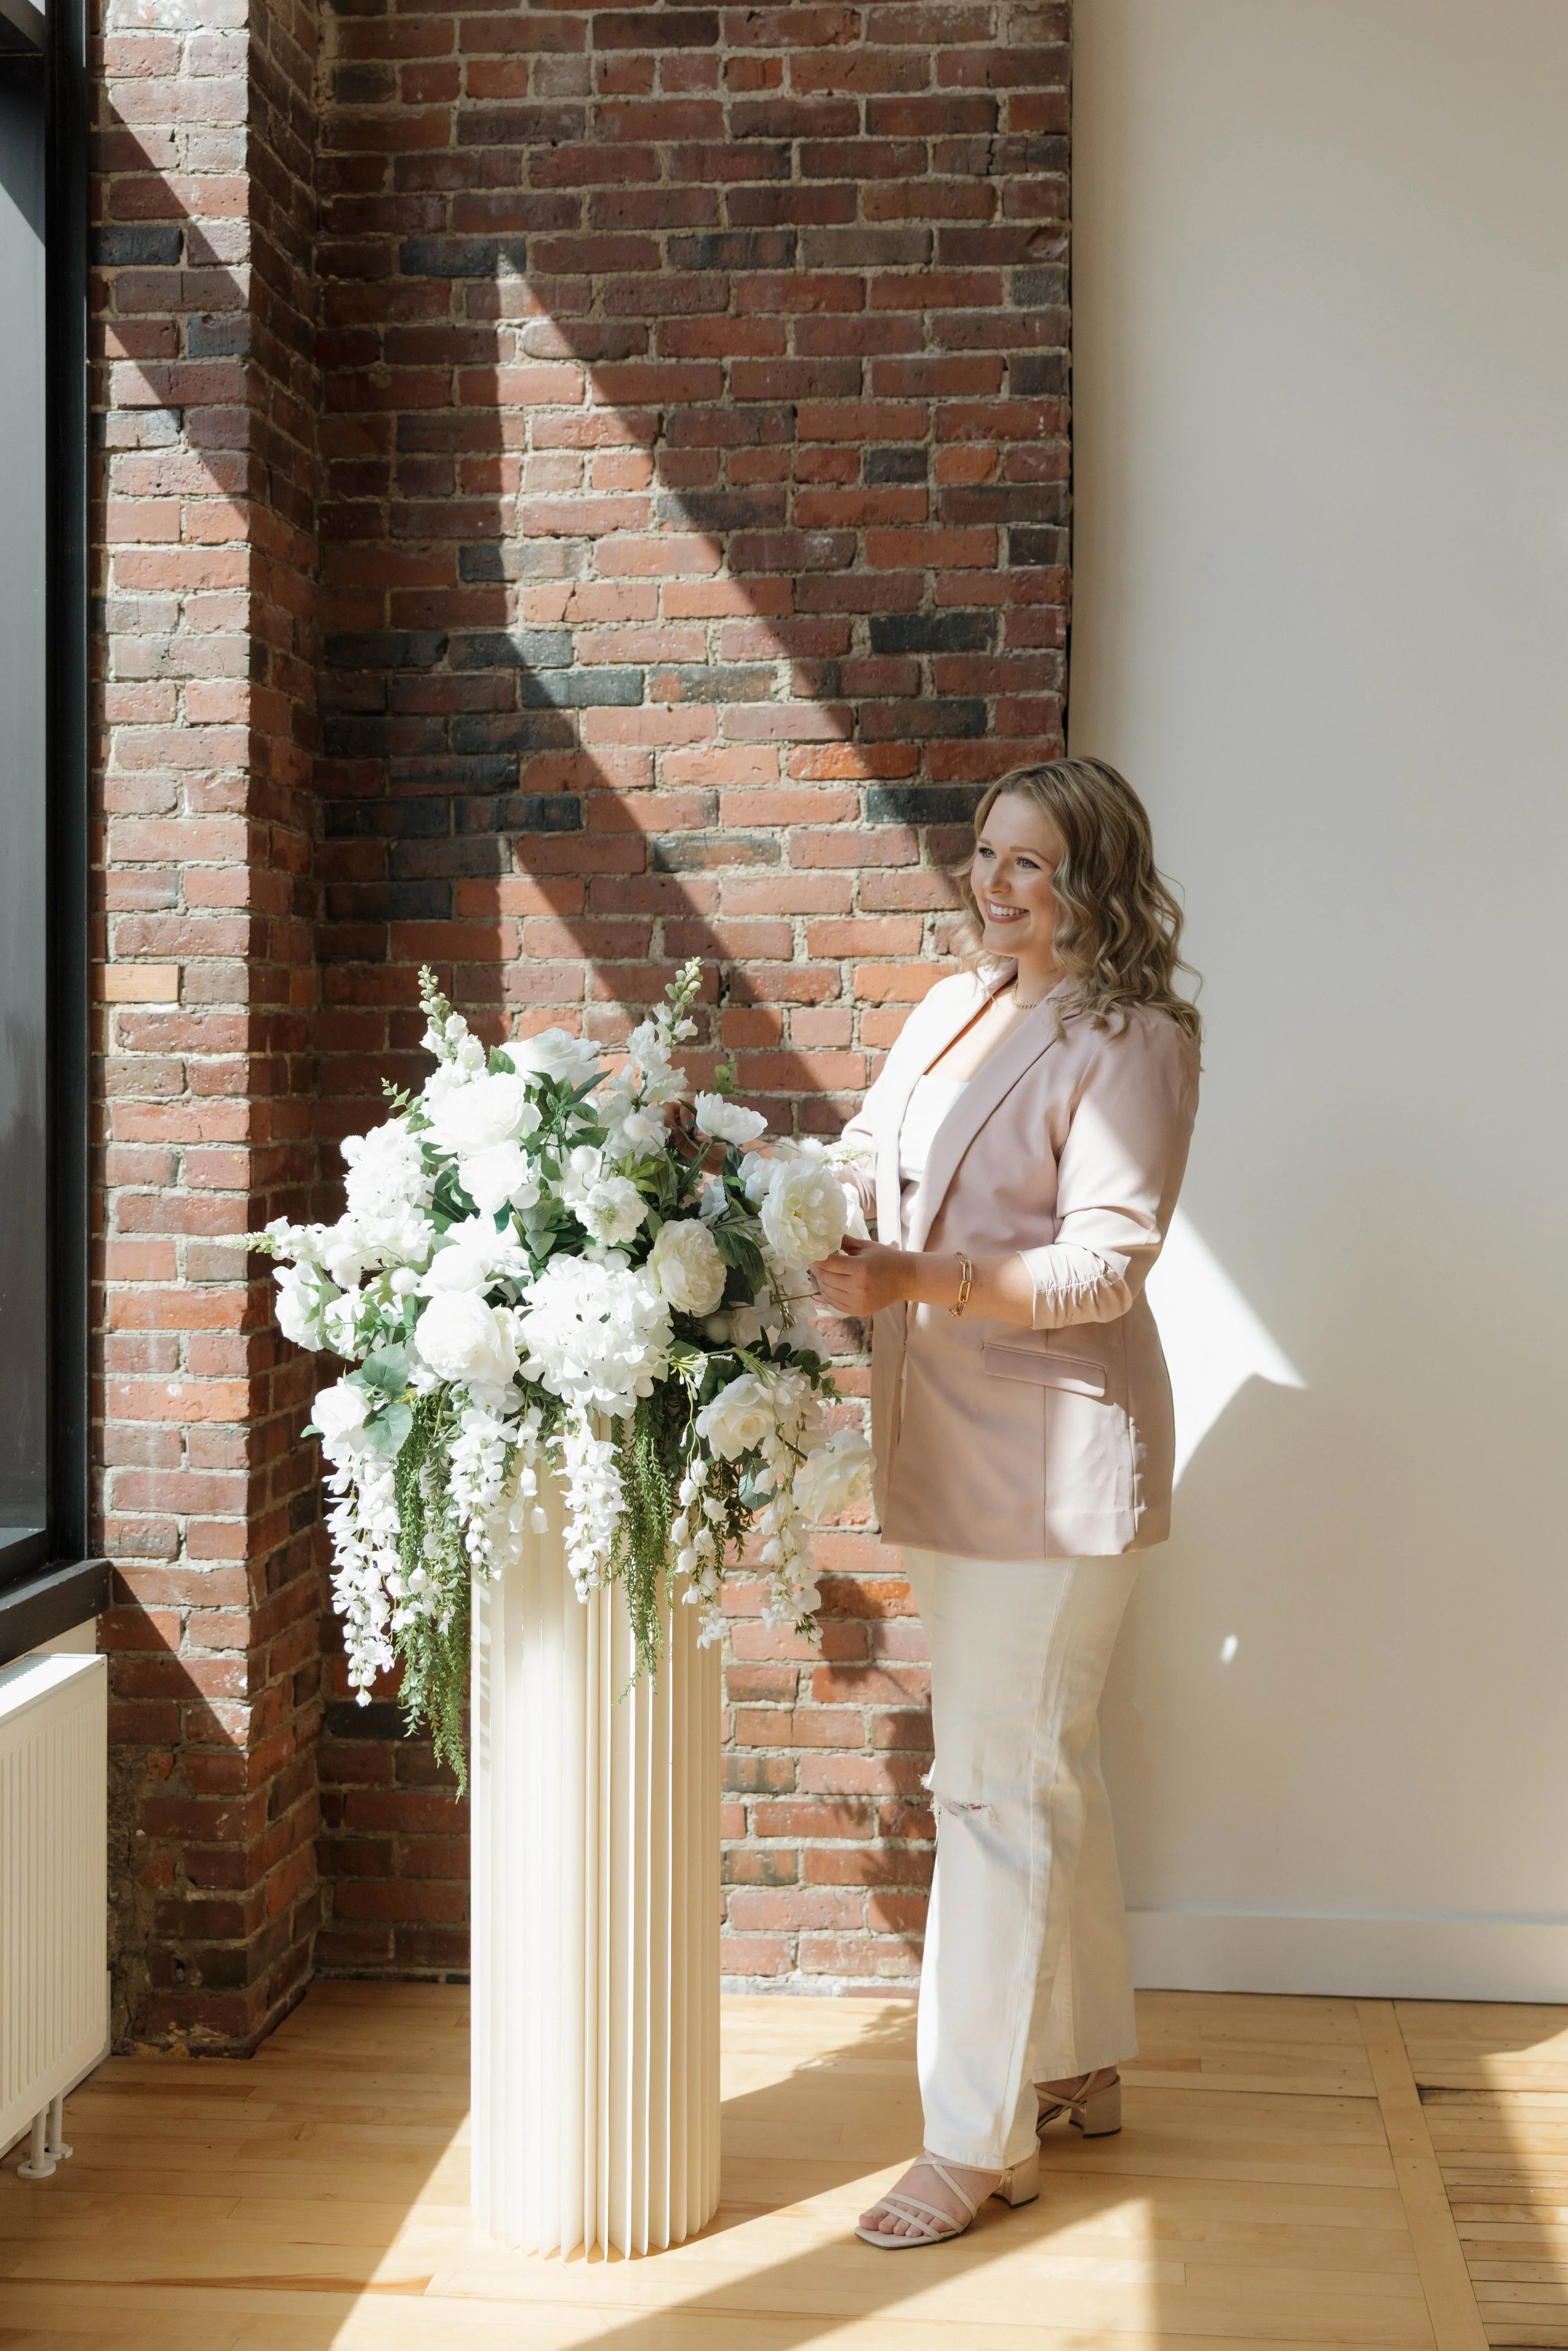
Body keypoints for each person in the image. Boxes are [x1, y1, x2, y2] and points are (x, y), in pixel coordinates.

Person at [813, 757, 1202, 2251]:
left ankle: (972, 2143)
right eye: (985, 854)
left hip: (1053, 1460)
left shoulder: (1134, 1036)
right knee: (1047, 1761)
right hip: (940, 1437)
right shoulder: (950, 1003)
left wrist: (914, 1278)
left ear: (1094, 877)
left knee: (987, 1788)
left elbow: (1107, 1262)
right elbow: (876, 1159)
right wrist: (819, 1213)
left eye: (1031, 864)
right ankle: (1082, 2056)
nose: (995, 883)